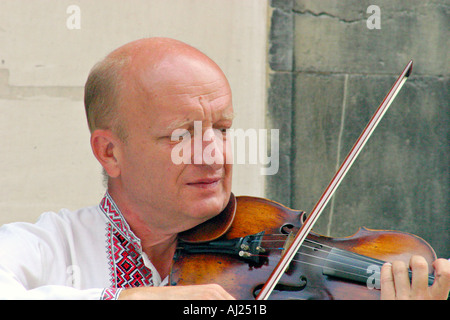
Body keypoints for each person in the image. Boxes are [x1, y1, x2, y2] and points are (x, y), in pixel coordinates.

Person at [0, 38, 448, 300]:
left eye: (222, 129)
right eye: (182, 135)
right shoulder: (49, 248)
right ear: (110, 152)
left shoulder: (274, 258)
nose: (214, 155)